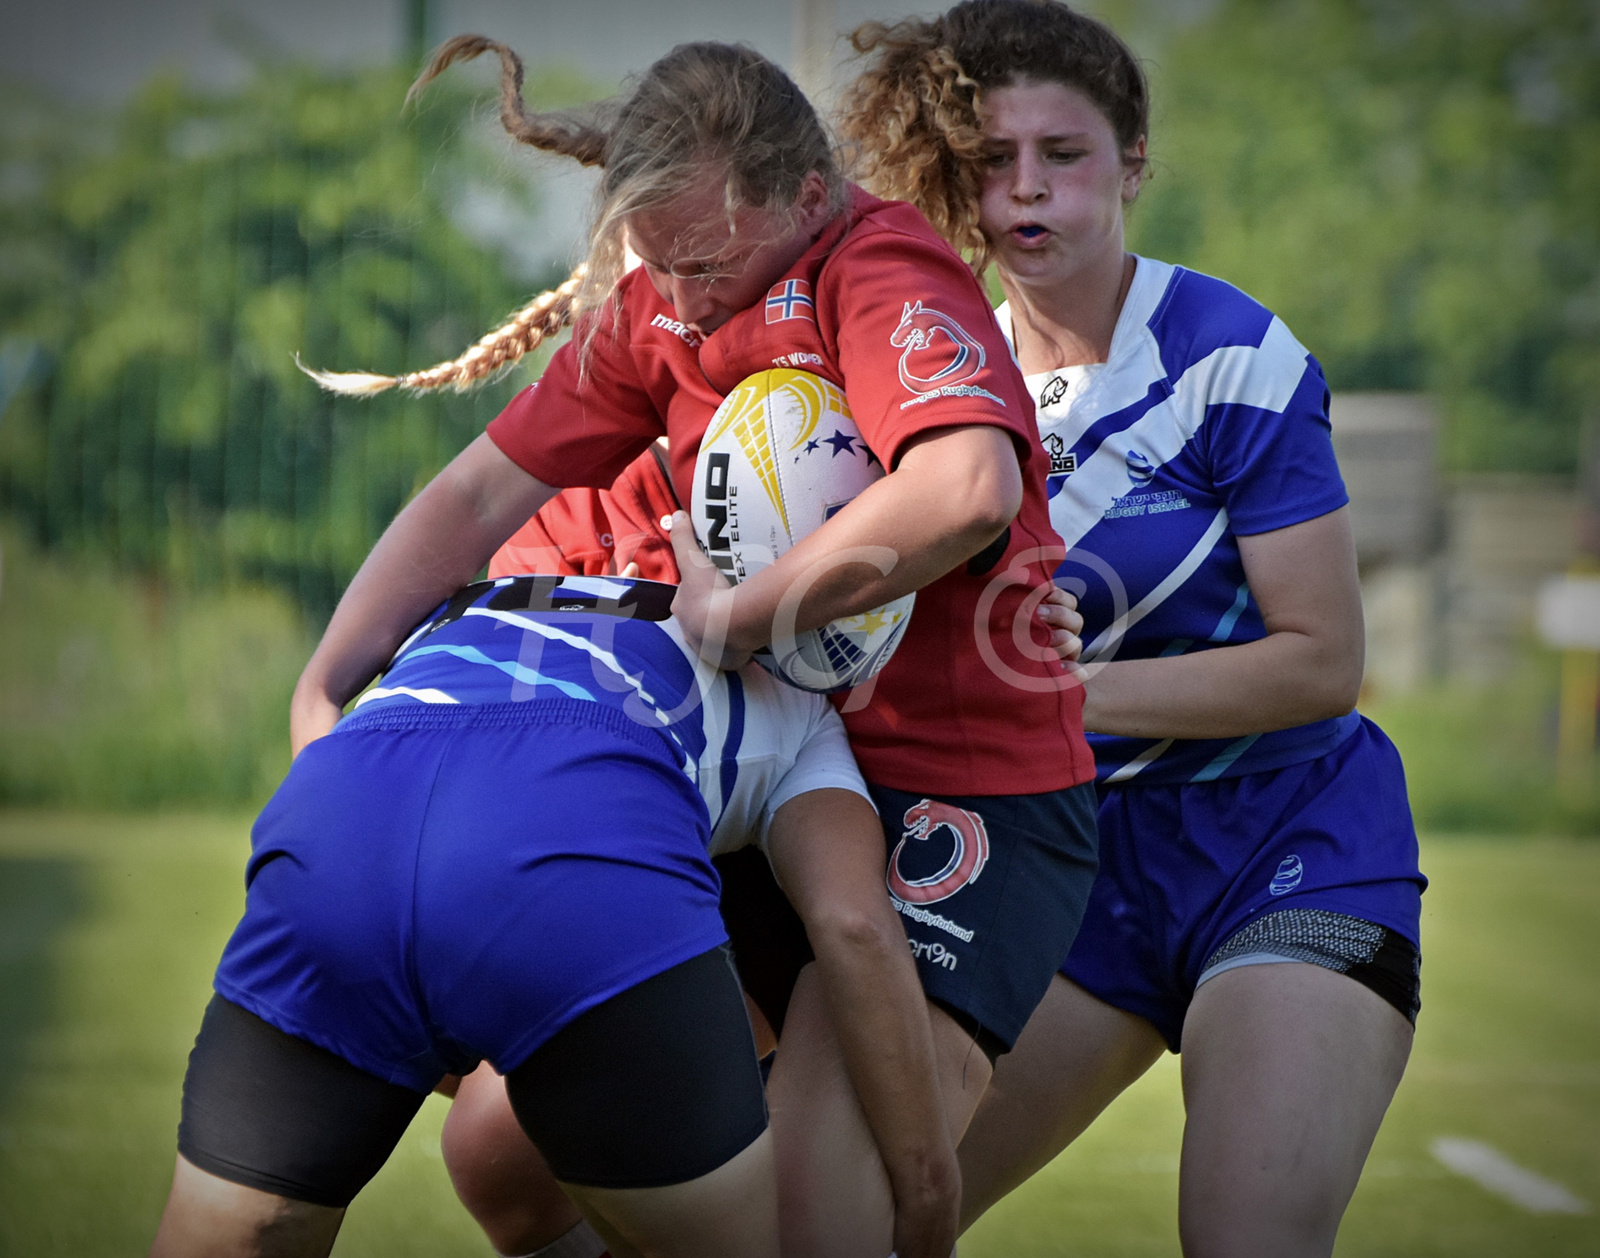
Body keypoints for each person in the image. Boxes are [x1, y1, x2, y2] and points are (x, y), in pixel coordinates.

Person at [293, 31, 1100, 1258]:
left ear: (807, 197)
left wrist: (744, 612)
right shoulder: (652, 315)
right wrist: (325, 681)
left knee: (819, 1222)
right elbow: (469, 501)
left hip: (958, 790)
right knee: (500, 1159)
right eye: (654, 264)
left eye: (708, 261)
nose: (677, 298)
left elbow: (967, 488)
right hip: (756, 786)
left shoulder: (876, 269)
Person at [838, 4, 1426, 1254]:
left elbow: (1322, 663)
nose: (1026, 191)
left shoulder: (1234, 357)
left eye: (1065, 154)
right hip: (1061, 861)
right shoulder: (939, 382)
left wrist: (1064, 694)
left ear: (1133, 163)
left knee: (1246, 1234)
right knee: (864, 1221)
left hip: (1285, 841)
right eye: (993, 161)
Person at [148, 568, 953, 1258]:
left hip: (338, 824)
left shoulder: (483, 598)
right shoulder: (806, 708)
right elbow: (853, 925)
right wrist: (927, 1192)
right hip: (582, 863)